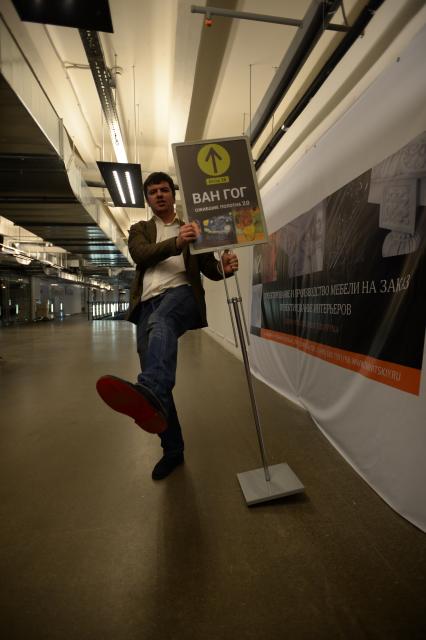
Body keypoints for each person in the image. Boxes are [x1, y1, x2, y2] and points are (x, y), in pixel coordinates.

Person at [96, 171, 239, 480]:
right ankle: (172, 449)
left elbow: (209, 269)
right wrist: (176, 242)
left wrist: (223, 268)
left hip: (182, 294)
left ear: (173, 194)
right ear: (147, 199)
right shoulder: (140, 229)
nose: (159, 195)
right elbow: (140, 254)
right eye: (153, 192)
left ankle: (151, 391)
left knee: (161, 328)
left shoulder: (193, 228)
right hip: (147, 304)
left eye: (164, 189)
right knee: (155, 375)